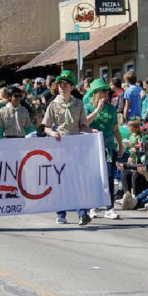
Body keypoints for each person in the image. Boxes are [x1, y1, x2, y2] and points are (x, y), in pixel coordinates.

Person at [42, 70, 92, 226]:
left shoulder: (78, 103)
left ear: (71, 87)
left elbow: (82, 126)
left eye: (65, 85)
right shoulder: (54, 105)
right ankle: (61, 213)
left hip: (76, 147)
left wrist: (92, 131)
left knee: (77, 181)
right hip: (60, 146)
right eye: (59, 85)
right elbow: (46, 127)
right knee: (61, 181)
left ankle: (82, 213)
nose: (61, 88)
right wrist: (52, 133)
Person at [84, 78, 124, 220]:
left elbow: (115, 129)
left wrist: (120, 144)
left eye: (106, 90)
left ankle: (109, 207)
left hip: (108, 146)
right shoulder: (88, 107)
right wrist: (97, 109)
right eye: (102, 90)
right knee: (94, 177)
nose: (106, 93)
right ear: (95, 93)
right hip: (93, 147)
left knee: (108, 177)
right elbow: (84, 124)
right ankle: (93, 206)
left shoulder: (112, 109)